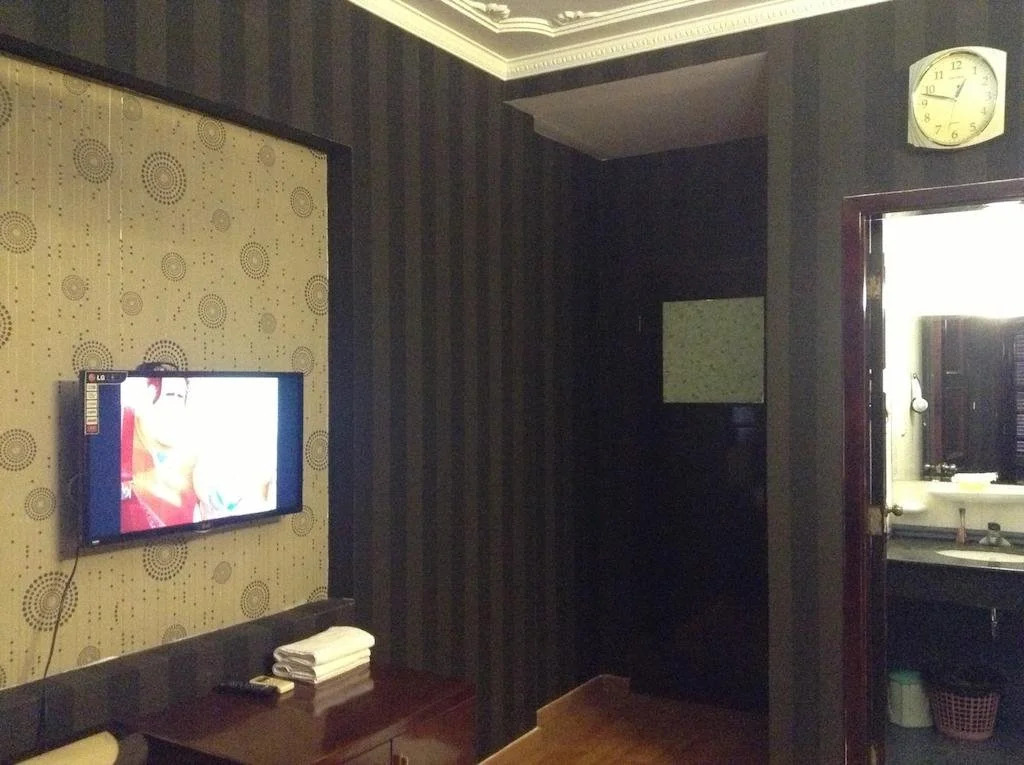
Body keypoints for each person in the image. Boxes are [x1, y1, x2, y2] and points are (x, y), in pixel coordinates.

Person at [120, 377, 199, 531]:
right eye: (169, 395)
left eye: (180, 397)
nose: (174, 406)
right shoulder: (122, 431)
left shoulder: (191, 452)